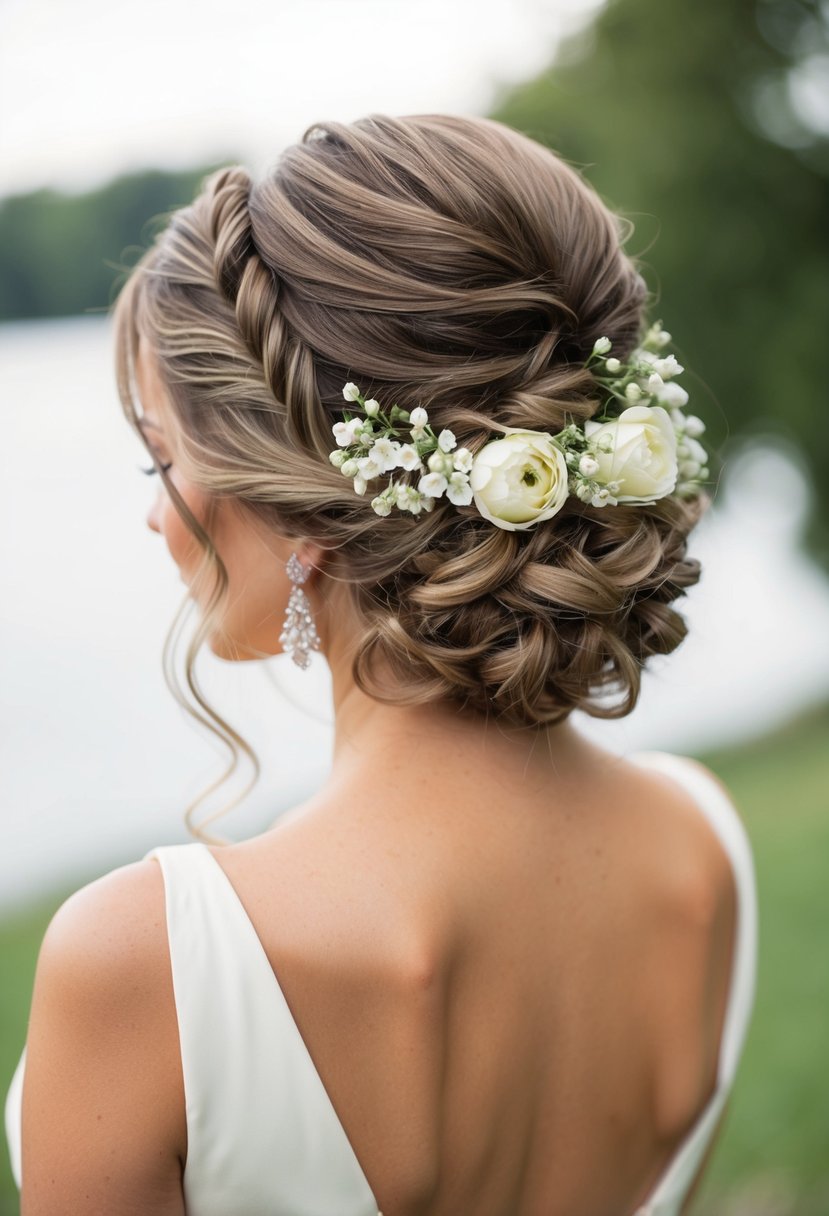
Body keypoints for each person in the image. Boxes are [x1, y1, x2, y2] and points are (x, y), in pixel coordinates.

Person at [5, 113, 757, 1215]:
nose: (155, 519)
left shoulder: (148, 966)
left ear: (300, 496)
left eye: (161, 458)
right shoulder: (703, 848)